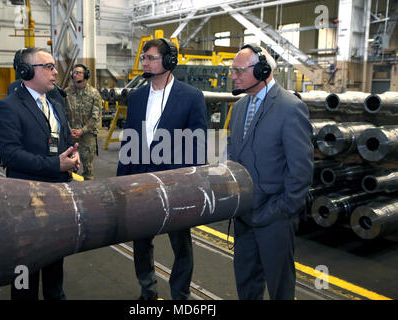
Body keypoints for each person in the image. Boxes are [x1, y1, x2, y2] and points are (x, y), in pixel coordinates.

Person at [116, 38, 207, 300]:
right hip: (140, 183)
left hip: (175, 185)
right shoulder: (136, 97)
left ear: (168, 62)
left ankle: (180, 294)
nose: (144, 62)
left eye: (151, 58)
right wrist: (122, 183)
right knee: (141, 242)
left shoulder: (191, 97)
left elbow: (197, 147)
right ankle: (148, 291)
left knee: (181, 244)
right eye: (144, 58)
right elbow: (129, 140)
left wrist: (189, 185)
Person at [0, 47, 80, 300]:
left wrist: (73, 156)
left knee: (54, 263)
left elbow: (61, 142)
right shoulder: (7, 108)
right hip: (25, 203)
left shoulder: (56, 104)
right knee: (24, 271)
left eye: (54, 66)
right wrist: (55, 165)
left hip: (58, 196)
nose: (56, 72)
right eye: (49, 67)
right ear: (26, 71)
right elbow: (10, 155)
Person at [227, 44, 313, 300]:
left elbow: (301, 169)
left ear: (263, 70)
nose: (234, 76)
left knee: (280, 286)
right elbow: (234, 153)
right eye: (233, 70)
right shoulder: (240, 107)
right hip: (244, 214)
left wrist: (284, 209)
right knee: (246, 281)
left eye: (239, 70)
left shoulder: (290, 107)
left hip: (275, 216)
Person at [65, 63, 102, 180]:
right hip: (70, 135)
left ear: (85, 75)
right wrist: (69, 129)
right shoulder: (66, 93)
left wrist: (83, 130)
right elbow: (62, 114)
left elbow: (95, 117)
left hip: (87, 136)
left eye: (78, 72)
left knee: (88, 170)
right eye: (73, 73)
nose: (75, 75)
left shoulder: (94, 93)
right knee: (67, 167)